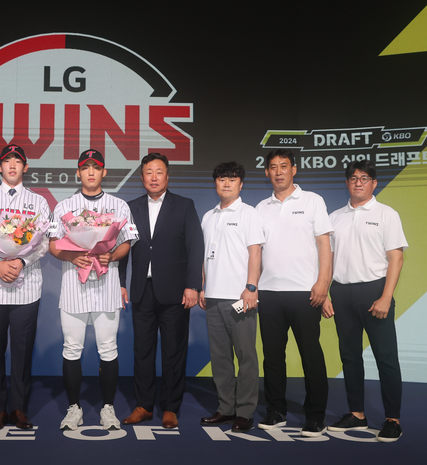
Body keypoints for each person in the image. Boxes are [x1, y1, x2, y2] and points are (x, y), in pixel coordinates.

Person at [49, 149, 137, 431]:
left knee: (108, 348)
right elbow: (53, 245)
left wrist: (111, 256)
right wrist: (72, 256)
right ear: (78, 172)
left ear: (103, 172)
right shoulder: (64, 207)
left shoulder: (119, 206)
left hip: (107, 285)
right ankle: (73, 408)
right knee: (71, 348)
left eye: (95, 167)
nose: (90, 172)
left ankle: (108, 408)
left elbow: (127, 242)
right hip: (74, 284)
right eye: (85, 167)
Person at [322, 160, 407, 442]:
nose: (358, 182)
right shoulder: (334, 217)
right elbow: (327, 260)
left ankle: (393, 420)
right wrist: (325, 294)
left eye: (364, 178)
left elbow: (396, 258)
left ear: (374, 183)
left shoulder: (386, 214)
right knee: (349, 357)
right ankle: (357, 414)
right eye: (353, 178)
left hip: (375, 293)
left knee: (386, 358)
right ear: (347, 183)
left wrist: (386, 296)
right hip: (341, 293)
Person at [0, 144, 50, 431]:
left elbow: (44, 242)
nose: (12, 165)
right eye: (7, 161)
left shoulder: (39, 202)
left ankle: (19, 409)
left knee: (22, 352)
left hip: (27, 286)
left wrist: (22, 261)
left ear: (25, 167)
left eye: (18, 161)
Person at [119, 152, 204, 429]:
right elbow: (122, 248)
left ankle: (170, 407)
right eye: (148, 173)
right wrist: (121, 283)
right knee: (142, 352)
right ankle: (143, 406)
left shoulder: (184, 205)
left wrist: (193, 285)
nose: (153, 177)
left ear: (167, 176)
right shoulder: (130, 207)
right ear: (142, 177)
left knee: (173, 352)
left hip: (176, 293)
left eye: (159, 172)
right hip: (142, 291)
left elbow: (195, 248)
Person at [255, 149, 333, 437]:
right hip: (269, 292)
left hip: (305, 293)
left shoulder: (313, 201)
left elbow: (324, 245)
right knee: (273, 357)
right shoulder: (260, 208)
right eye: (273, 167)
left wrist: (323, 283)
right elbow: (256, 252)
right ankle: (276, 410)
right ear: (267, 172)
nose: (279, 172)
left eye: (284, 166)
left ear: (294, 170)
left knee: (311, 356)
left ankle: (315, 416)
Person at [198, 161, 264, 433]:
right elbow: (205, 255)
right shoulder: (208, 216)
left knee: (246, 356)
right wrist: (203, 287)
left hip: (240, 298)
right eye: (222, 179)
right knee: (220, 357)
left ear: (241, 184)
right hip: (213, 297)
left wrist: (251, 287)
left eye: (232, 179)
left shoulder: (249, 213)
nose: (226, 183)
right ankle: (226, 408)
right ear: (215, 183)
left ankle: (245, 412)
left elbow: (255, 252)